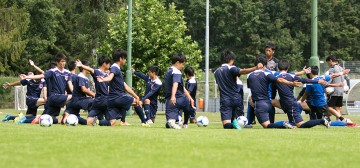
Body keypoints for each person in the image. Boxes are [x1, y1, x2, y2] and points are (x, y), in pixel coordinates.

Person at [247, 56, 302, 129]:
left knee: (267, 125)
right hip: (269, 102)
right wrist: (294, 80)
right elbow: (284, 76)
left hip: (260, 102)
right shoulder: (271, 73)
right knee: (271, 118)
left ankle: (249, 122)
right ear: (265, 66)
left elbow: (250, 87)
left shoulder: (250, 75)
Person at [214, 49, 262, 130]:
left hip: (225, 99)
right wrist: (256, 68)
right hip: (236, 98)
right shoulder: (231, 68)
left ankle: (233, 125)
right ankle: (238, 124)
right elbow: (242, 71)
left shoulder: (216, 72)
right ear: (231, 59)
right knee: (240, 120)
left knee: (226, 125)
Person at [275, 60, 330, 128]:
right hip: (288, 102)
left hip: (289, 103)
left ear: (278, 68)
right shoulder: (291, 75)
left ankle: (322, 121)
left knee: (300, 125)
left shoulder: (275, 75)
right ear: (288, 67)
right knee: (292, 123)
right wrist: (318, 81)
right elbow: (305, 80)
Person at [21, 53, 73, 124]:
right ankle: (66, 114)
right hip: (54, 97)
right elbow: (40, 76)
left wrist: (73, 91)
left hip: (58, 99)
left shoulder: (67, 73)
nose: (63, 63)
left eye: (64, 61)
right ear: (57, 62)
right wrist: (27, 77)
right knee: (73, 97)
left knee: (47, 119)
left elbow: (70, 84)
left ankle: (19, 118)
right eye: (62, 61)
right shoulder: (52, 71)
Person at [97, 48, 142, 126]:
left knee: (112, 123)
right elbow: (110, 77)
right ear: (121, 58)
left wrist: (136, 96)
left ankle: (97, 122)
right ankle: (145, 122)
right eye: (125, 59)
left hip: (111, 100)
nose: (125, 61)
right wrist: (104, 79)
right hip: (118, 97)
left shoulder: (115, 68)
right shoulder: (115, 68)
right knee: (137, 102)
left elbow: (125, 87)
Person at [75, 57, 111, 126]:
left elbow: (108, 87)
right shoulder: (97, 72)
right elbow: (90, 69)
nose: (109, 65)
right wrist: (82, 65)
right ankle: (98, 121)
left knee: (88, 122)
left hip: (97, 101)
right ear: (104, 64)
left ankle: (74, 118)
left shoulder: (107, 75)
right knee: (112, 122)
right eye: (108, 63)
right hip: (104, 100)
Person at [164, 53, 195, 129]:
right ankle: (184, 123)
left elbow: (181, 86)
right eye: (182, 64)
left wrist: (190, 98)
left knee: (170, 120)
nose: (183, 66)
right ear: (177, 63)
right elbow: (175, 84)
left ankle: (175, 121)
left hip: (171, 100)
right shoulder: (177, 72)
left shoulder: (168, 71)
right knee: (188, 107)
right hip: (178, 98)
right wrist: (173, 96)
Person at [64, 60, 95, 125]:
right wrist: (94, 94)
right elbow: (83, 89)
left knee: (68, 118)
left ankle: (70, 118)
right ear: (84, 68)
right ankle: (92, 120)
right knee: (94, 102)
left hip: (76, 101)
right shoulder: (81, 76)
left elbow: (86, 91)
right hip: (78, 100)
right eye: (88, 67)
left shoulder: (84, 78)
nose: (89, 69)